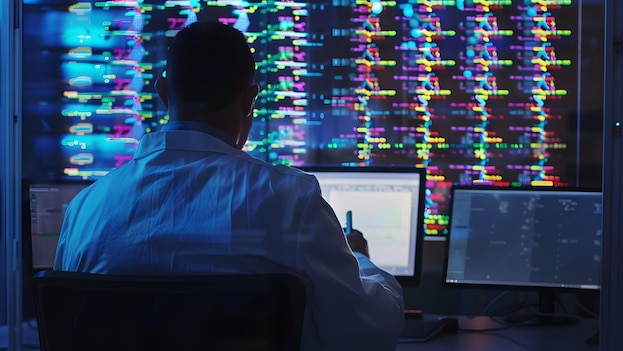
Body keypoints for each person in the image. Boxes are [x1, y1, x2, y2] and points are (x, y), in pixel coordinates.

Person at [54, 21, 404, 350]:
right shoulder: (291, 201)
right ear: (250, 100)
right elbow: (366, 336)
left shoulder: (86, 210)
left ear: (162, 92)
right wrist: (358, 257)